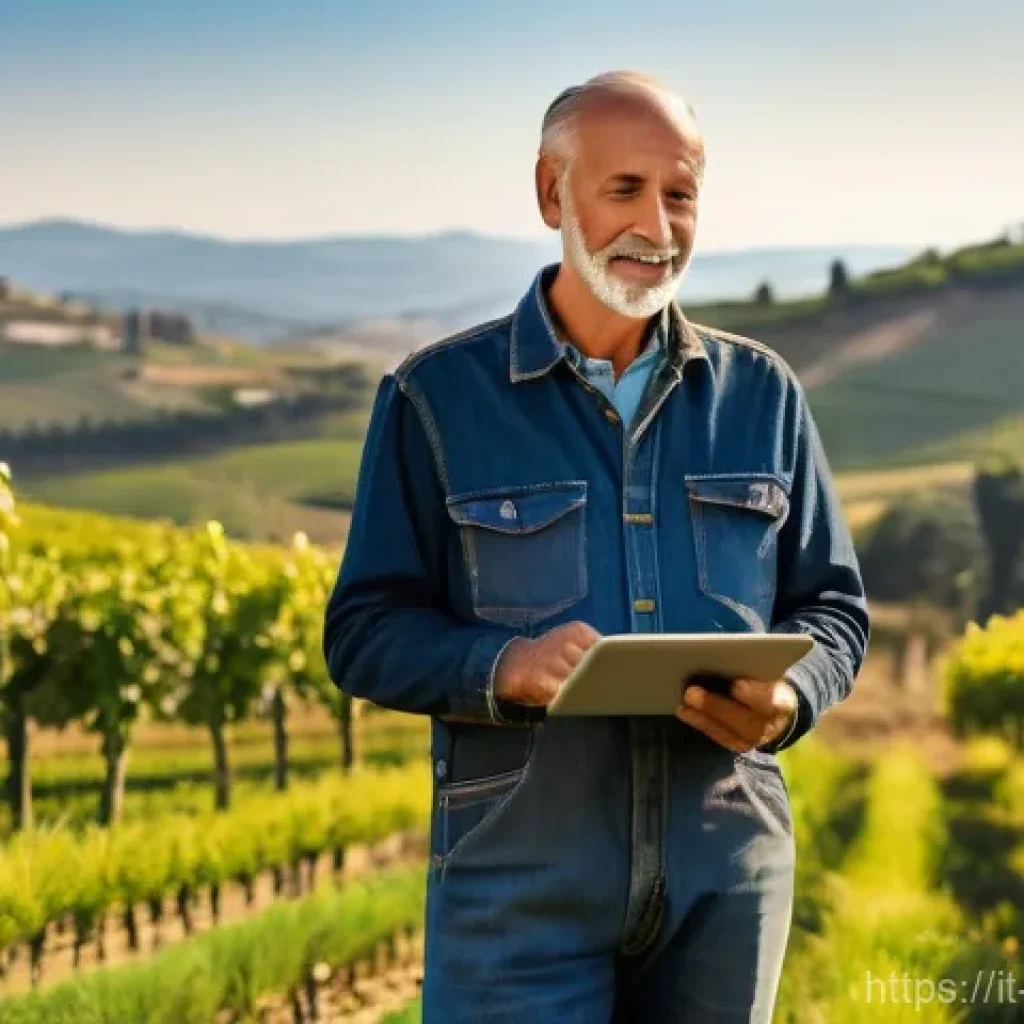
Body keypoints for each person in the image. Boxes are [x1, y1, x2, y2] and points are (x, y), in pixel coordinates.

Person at [322, 69, 869, 1024]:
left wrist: (790, 697)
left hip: (728, 889)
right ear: (550, 192)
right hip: (515, 894)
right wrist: (505, 665)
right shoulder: (436, 398)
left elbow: (833, 610)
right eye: (624, 189)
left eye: (680, 193)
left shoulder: (765, 396)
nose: (657, 225)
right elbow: (364, 631)